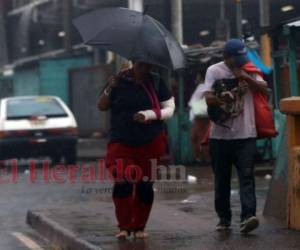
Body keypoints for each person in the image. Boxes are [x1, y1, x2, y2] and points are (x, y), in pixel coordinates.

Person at [97, 61, 175, 239]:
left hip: (150, 141)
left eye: (149, 65)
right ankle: (124, 226)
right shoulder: (118, 80)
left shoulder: (156, 82)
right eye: (141, 64)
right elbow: (101, 106)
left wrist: (149, 115)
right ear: (134, 61)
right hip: (122, 140)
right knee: (123, 181)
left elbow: (169, 109)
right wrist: (110, 87)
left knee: (145, 185)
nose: (145, 68)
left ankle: (139, 226)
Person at [200, 39, 268, 234]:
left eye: (241, 57)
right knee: (222, 179)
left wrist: (246, 78)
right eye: (236, 59)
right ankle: (224, 218)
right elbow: (208, 97)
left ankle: (248, 217)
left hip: (246, 135)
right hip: (220, 137)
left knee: (247, 176)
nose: (240, 61)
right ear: (226, 57)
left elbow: (266, 90)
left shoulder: (248, 68)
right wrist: (224, 96)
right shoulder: (214, 70)